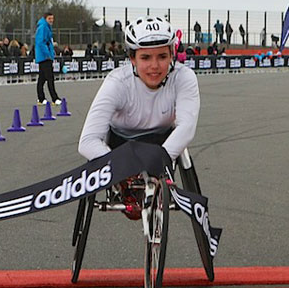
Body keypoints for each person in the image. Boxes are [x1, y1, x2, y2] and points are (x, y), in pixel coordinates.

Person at [78, 16, 200, 218]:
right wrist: (119, 167)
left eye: (162, 56)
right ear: (132, 58)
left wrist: (160, 159)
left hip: (162, 143)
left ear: (172, 54)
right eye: (145, 58)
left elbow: (187, 126)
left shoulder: (184, 77)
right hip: (121, 145)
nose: (155, 66)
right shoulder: (117, 82)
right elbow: (87, 142)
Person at [35, 12, 61, 106]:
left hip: (46, 56)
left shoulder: (47, 28)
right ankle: (54, 98)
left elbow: (49, 42)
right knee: (50, 77)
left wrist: (52, 52)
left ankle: (41, 98)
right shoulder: (43, 27)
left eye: (52, 18)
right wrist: (47, 54)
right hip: (44, 57)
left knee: (42, 78)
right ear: (45, 19)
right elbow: (41, 42)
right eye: (49, 18)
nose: (51, 20)